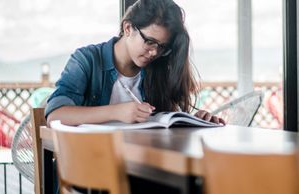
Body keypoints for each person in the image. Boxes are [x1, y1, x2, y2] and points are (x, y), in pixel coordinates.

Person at [45, 0, 225, 126]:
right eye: (150, 41)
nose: (154, 52)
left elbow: (165, 123)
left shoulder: (158, 68)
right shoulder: (87, 60)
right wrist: (116, 112)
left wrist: (194, 121)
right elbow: (55, 115)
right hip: (89, 166)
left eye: (162, 47)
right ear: (128, 28)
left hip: (141, 165)